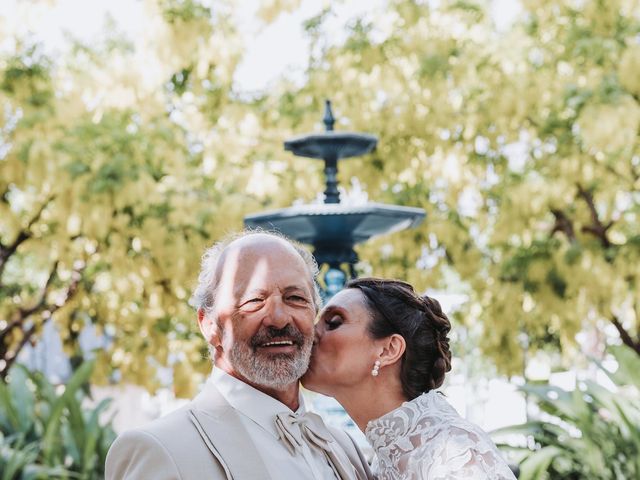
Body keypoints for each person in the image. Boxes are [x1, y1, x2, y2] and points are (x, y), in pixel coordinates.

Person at [105, 232, 373, 480]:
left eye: (295, 298)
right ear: (209, 325)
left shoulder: (344, 446)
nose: (279, 319)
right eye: (254, 301)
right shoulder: (160, 449)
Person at [302, 277, 517, 480]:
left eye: (334, 323)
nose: (309, 333)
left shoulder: (453, 451)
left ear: (388, 349)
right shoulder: (385, 460)